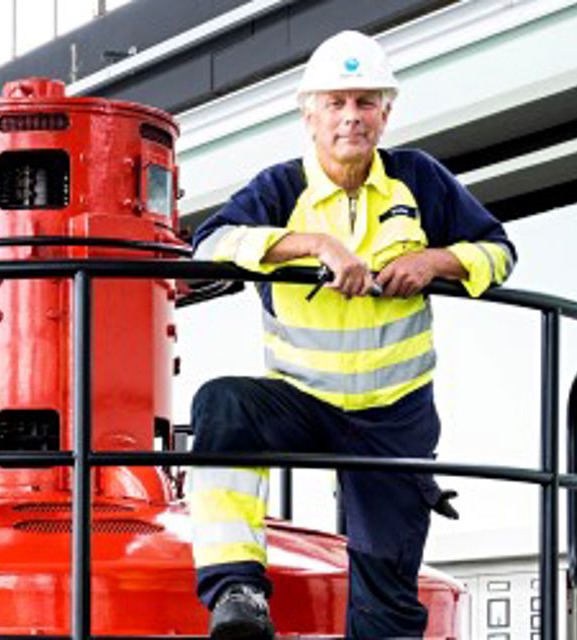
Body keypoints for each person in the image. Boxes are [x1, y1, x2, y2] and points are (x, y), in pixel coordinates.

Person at [188, 30, 516, 639]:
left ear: (386, 114)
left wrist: (435, 261)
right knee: (224, 403)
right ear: (308, 115)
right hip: (302, 401)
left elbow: (499, 252)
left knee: (387, 607)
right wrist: (313, 244)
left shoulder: (419, 180)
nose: (350, 118)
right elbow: (208, 243)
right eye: (335, 103)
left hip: (393, 418)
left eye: (365, 102)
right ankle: (237, 590)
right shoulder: (281, 189)